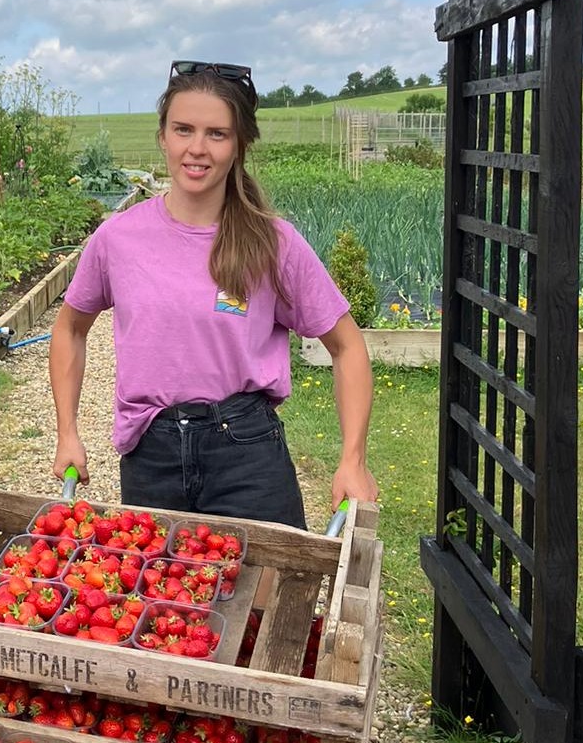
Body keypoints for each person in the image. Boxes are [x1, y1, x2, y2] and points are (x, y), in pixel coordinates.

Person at [50, 59, 378, 528]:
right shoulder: (118, 239)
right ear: (162, 135)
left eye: (217, 134)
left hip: (247, 453)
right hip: (151, 454)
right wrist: (67, 432)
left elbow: (347, 346)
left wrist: (353, 459)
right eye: (183, 129)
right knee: (158, 596)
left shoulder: (273, 242)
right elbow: (70, 329)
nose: (196, 148)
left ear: (239, 144)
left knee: (266, 598)